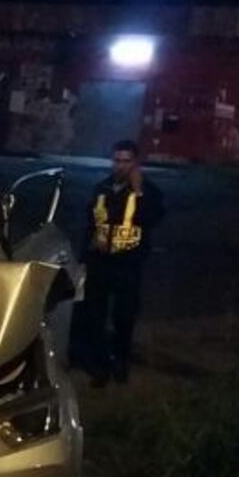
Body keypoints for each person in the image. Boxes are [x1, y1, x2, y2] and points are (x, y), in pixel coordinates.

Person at [79, 139, 165, 387]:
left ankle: (120, 363)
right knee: (95, 315)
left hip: (128, 264)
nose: (121, 166)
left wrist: (139, 192)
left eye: (127, 161)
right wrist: (85, 256)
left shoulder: (149, 191)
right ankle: (100, 367)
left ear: (136, 163)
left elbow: (153, 217)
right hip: (100, 263)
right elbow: (91, 223)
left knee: (124, 317)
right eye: (117, 160)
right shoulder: (102, 188)